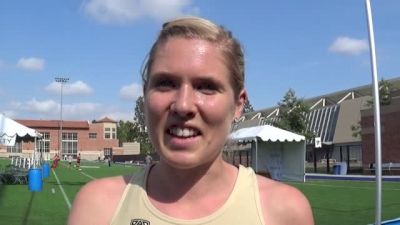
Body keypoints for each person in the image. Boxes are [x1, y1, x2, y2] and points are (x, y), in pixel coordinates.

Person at [68, 16, 314, 225]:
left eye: (206, 87)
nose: (183, 105)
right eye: (165, 83)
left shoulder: (284, 211)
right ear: (145, 97)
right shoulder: (98, 207)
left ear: (238, 104)